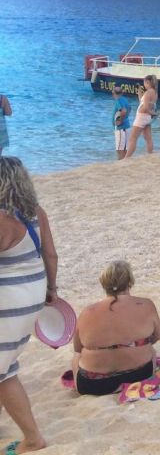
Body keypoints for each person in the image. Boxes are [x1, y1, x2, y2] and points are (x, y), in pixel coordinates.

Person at [0, 156, 59, 453]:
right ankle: (31, 436)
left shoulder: (0, 218)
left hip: (7, 301)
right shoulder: (36, 212)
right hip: (33, 295)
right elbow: (51, 256)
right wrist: (52, 291)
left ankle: (34, 438)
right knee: (5, 369)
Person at [71, 261, 160, 396]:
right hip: (139, 375)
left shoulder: (87, 312)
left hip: (93, 383)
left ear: (103, 284)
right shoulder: (145, 304)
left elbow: (78, 348)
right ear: (130, 282)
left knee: (76, 357)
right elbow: (156, 337)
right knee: (151, 350)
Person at [124, 74, 158, 158]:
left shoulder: (147, 93)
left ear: (147, 82)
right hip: (147, 118)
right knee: (148, 138)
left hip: (142, 117)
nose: (144, 85)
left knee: (133, 138)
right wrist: (139, 90)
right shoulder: (154, 92)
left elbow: (146, 107)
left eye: (144, 83)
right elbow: (142, 102)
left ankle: (126, 158)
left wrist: (152, 113)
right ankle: (150, 154)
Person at [111, 86, 132, 160]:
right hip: (127, 126)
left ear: (114, 93)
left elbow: (124, 111)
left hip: (121, 128)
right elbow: (129, 109)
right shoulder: (125, 99)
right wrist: (125, 117)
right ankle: (125, 162)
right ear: (121, 93)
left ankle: (120, 163)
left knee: (119, 149)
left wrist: (120, 121)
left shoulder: (118, 101)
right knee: (125, 148)